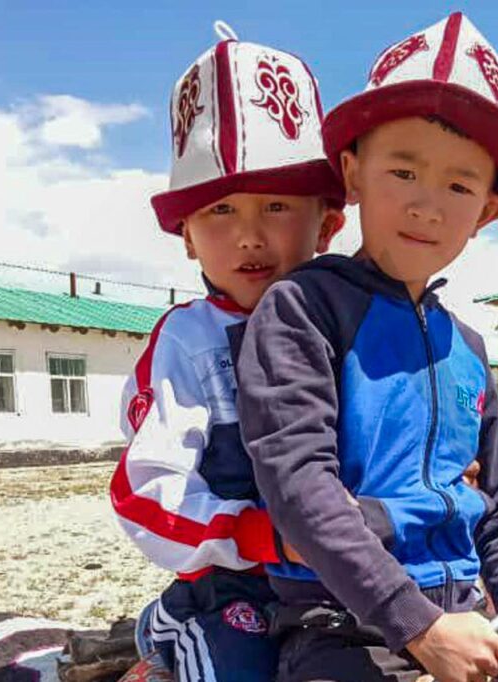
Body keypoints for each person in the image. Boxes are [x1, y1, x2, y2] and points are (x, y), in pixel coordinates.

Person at [234, 13, 498, 682]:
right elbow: (300, 484)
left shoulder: (467, 348)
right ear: (352, 173)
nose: (426, 206)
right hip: (344, 622)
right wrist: (416, 625)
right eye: (403, 171)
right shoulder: (303, 310)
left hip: (469, 616)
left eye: (459, 186)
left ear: (488, 212)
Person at [109, 26, 346, 681]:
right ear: (187, 237)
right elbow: (144, 490)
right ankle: (171, 619)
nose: (248, 235)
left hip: (348, 572)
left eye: (276, 205)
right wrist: (252, 534)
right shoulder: (189, 342)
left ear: (327, 222)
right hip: (236, 582)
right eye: (219, 211)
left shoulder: (355, 325)